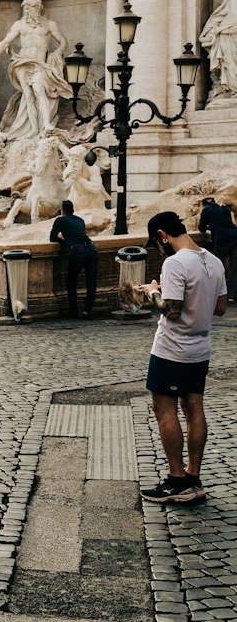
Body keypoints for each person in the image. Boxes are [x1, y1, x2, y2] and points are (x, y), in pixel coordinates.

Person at [138, 211, 227, 505]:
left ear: (163, 235)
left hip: (172, 349)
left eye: (156, 244)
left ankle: (177, 481)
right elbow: (221, 307)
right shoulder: (212, 260)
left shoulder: (174, 262)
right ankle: (193, 478)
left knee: (164, 408)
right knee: (194, 407)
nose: (158, 250)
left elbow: (171, 311)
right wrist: (176, 293)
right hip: (200, 348)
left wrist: (153, 292)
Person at [0, 0, 72, 139]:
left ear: (38, 7)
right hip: (22, 63)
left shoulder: (49, 24)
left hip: (39, 64)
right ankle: (33, 129)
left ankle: (46, 124)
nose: (27, 10)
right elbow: (5, 42)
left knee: (39, 89)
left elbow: (63, 41)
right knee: (28, 95)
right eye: (25, 7)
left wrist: (57, 53)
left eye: (30, 7)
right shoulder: (19, 25)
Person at [49, 200, 99, 319]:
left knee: (71, 281)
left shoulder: (60, 219)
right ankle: (87, 311)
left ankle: (73, 310)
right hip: (91, 249)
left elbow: (52, 238)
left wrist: (64, 242)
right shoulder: (80, 220)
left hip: (78, 251)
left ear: (62, 211)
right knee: (91, 282)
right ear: (73, 210)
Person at [198, 195, 237, 298]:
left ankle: (218, 292)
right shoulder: (224, 209)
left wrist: (208, 226)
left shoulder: (206, 209)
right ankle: (234, 293)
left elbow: (201, 228)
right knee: (235, 267)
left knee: (216, 266)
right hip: (235, 235)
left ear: (203, 204)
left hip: (222, 239)